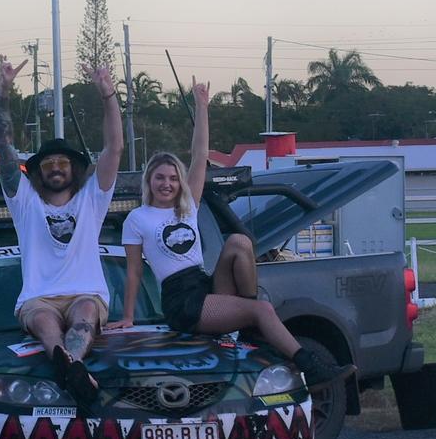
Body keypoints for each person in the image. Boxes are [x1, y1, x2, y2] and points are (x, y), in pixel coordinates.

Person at [108, 79, 355, 390]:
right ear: (149, 181)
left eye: (172, 177)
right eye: (160, 177)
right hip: (181, 300)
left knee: (239, 242)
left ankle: (249, 321)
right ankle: (308, 365)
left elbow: (199, 157)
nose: (167, 183)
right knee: (263, 309)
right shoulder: (137, 218)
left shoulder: (187, 207)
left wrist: (201, 106)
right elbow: (132, 272)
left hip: (204, 283)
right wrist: (128, 316)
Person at [0, 58, 123, 405]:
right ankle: (70, 366)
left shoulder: (92, 199)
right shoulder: (24, 201)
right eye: (48, 164)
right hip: (38, 298)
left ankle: (71, 367)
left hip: (87, 293)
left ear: (75, 168)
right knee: (44, 321)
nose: (55, 168)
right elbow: (3, 149)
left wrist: (108, 94)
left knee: (85, 314)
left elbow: (115, 148)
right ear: (37, 171)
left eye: (63, 163)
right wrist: (3, 92)